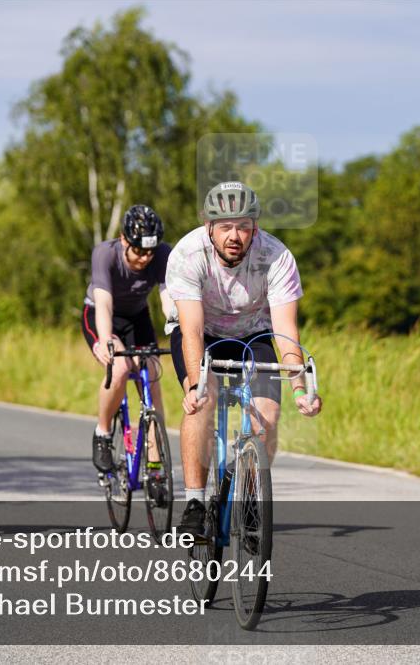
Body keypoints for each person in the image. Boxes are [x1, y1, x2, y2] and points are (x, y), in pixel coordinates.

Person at [165, 181, 322, 536]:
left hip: (255, 333)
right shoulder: (188, 254)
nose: (234, 235)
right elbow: (190, 328)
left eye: (243, 226)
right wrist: (195, 384)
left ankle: (248, 494)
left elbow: (285, 331)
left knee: (268, 412)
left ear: (255, 227)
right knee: (205, 398)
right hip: (201, 333)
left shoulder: (276, 256)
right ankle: (193, 501)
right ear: (209, 227)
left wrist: (300, 388)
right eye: (225, 227)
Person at [81, 204, 175, 473]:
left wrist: (176, 327)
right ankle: (102, 432)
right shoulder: (105, 254)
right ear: (124, 240)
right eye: (139, 250)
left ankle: (155, 465)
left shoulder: (162, 255)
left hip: (137, 317)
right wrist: (104, 339)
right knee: (120, 368)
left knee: (153, 373)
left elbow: (167, 298)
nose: (146, 258)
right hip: (101, 314)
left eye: (150, 251)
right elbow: (104, 303)